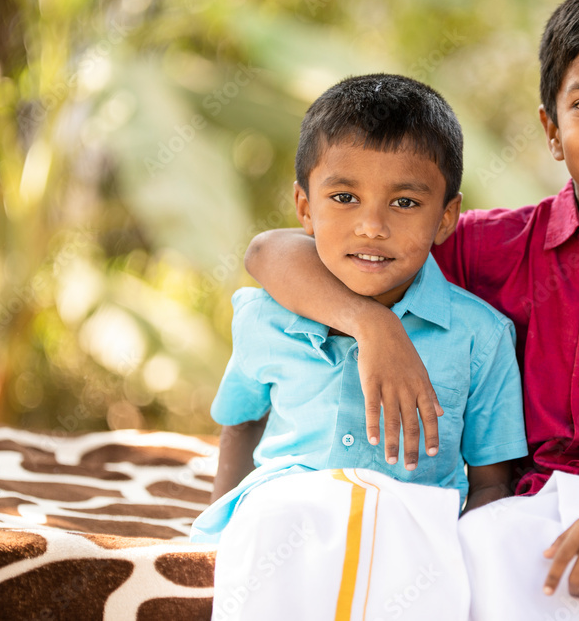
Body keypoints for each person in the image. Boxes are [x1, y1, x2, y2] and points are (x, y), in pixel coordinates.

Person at [245, 0, 579, 620]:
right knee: (479, 547)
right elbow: (271, 252)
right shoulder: (487, 247)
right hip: (528, 510)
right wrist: (369, 324)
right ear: (552, 131)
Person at [191, 73, 528, 621]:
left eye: (404, 202)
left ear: (445, 217)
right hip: (284, 526)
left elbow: (493, 481)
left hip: (414, 538)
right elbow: (241, 424)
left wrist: (462, 555)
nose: (371, 226)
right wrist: (215, 532)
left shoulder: (480, 336)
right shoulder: (264, 315)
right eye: (343, 198)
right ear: (304, 206)